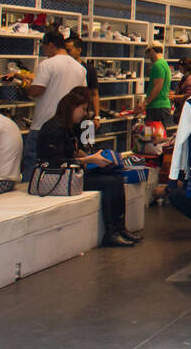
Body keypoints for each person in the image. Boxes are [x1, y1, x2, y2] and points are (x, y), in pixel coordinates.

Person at [36, 87, 138, 247]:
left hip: (65, 173)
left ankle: (118, 228)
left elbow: (71, 154)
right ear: (72, 108)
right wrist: (90, 160)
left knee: (115, 177)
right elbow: (59, 161)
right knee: (110, 182)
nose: (84, 113)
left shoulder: (64, 127)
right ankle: (112, 232)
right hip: (58, 177)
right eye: (82, 109)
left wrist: (93, 158)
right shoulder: (55, 128)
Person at [16, 28, 86, 180]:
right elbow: (82, 94)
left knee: (33, 165)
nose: (44, 50)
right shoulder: (80, 68)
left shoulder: (47, 64)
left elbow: (36, 91)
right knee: (59, 167)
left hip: (43, 124)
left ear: (50, 45)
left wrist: (24, 86)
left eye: (44, 47)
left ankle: (31, 195)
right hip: (66, 125)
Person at [64, 34, 100, 124]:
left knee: (85, 137)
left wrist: (97, 116)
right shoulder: (62, 68)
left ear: (79, 50)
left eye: (69, 51)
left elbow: (94, 94)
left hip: (83, 116)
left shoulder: (89, 69)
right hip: (65, 115)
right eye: (65, 51)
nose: (66, 54)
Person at [141, 42, 173, 125]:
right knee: (161, 135)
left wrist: (145, 103)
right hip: (163, 106)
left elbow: (157, 87)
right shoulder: (164, 64)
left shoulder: (157, 65)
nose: (148, 57)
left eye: (147, 53)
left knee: (154, 136)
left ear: (151, 50)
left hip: (156, 107)